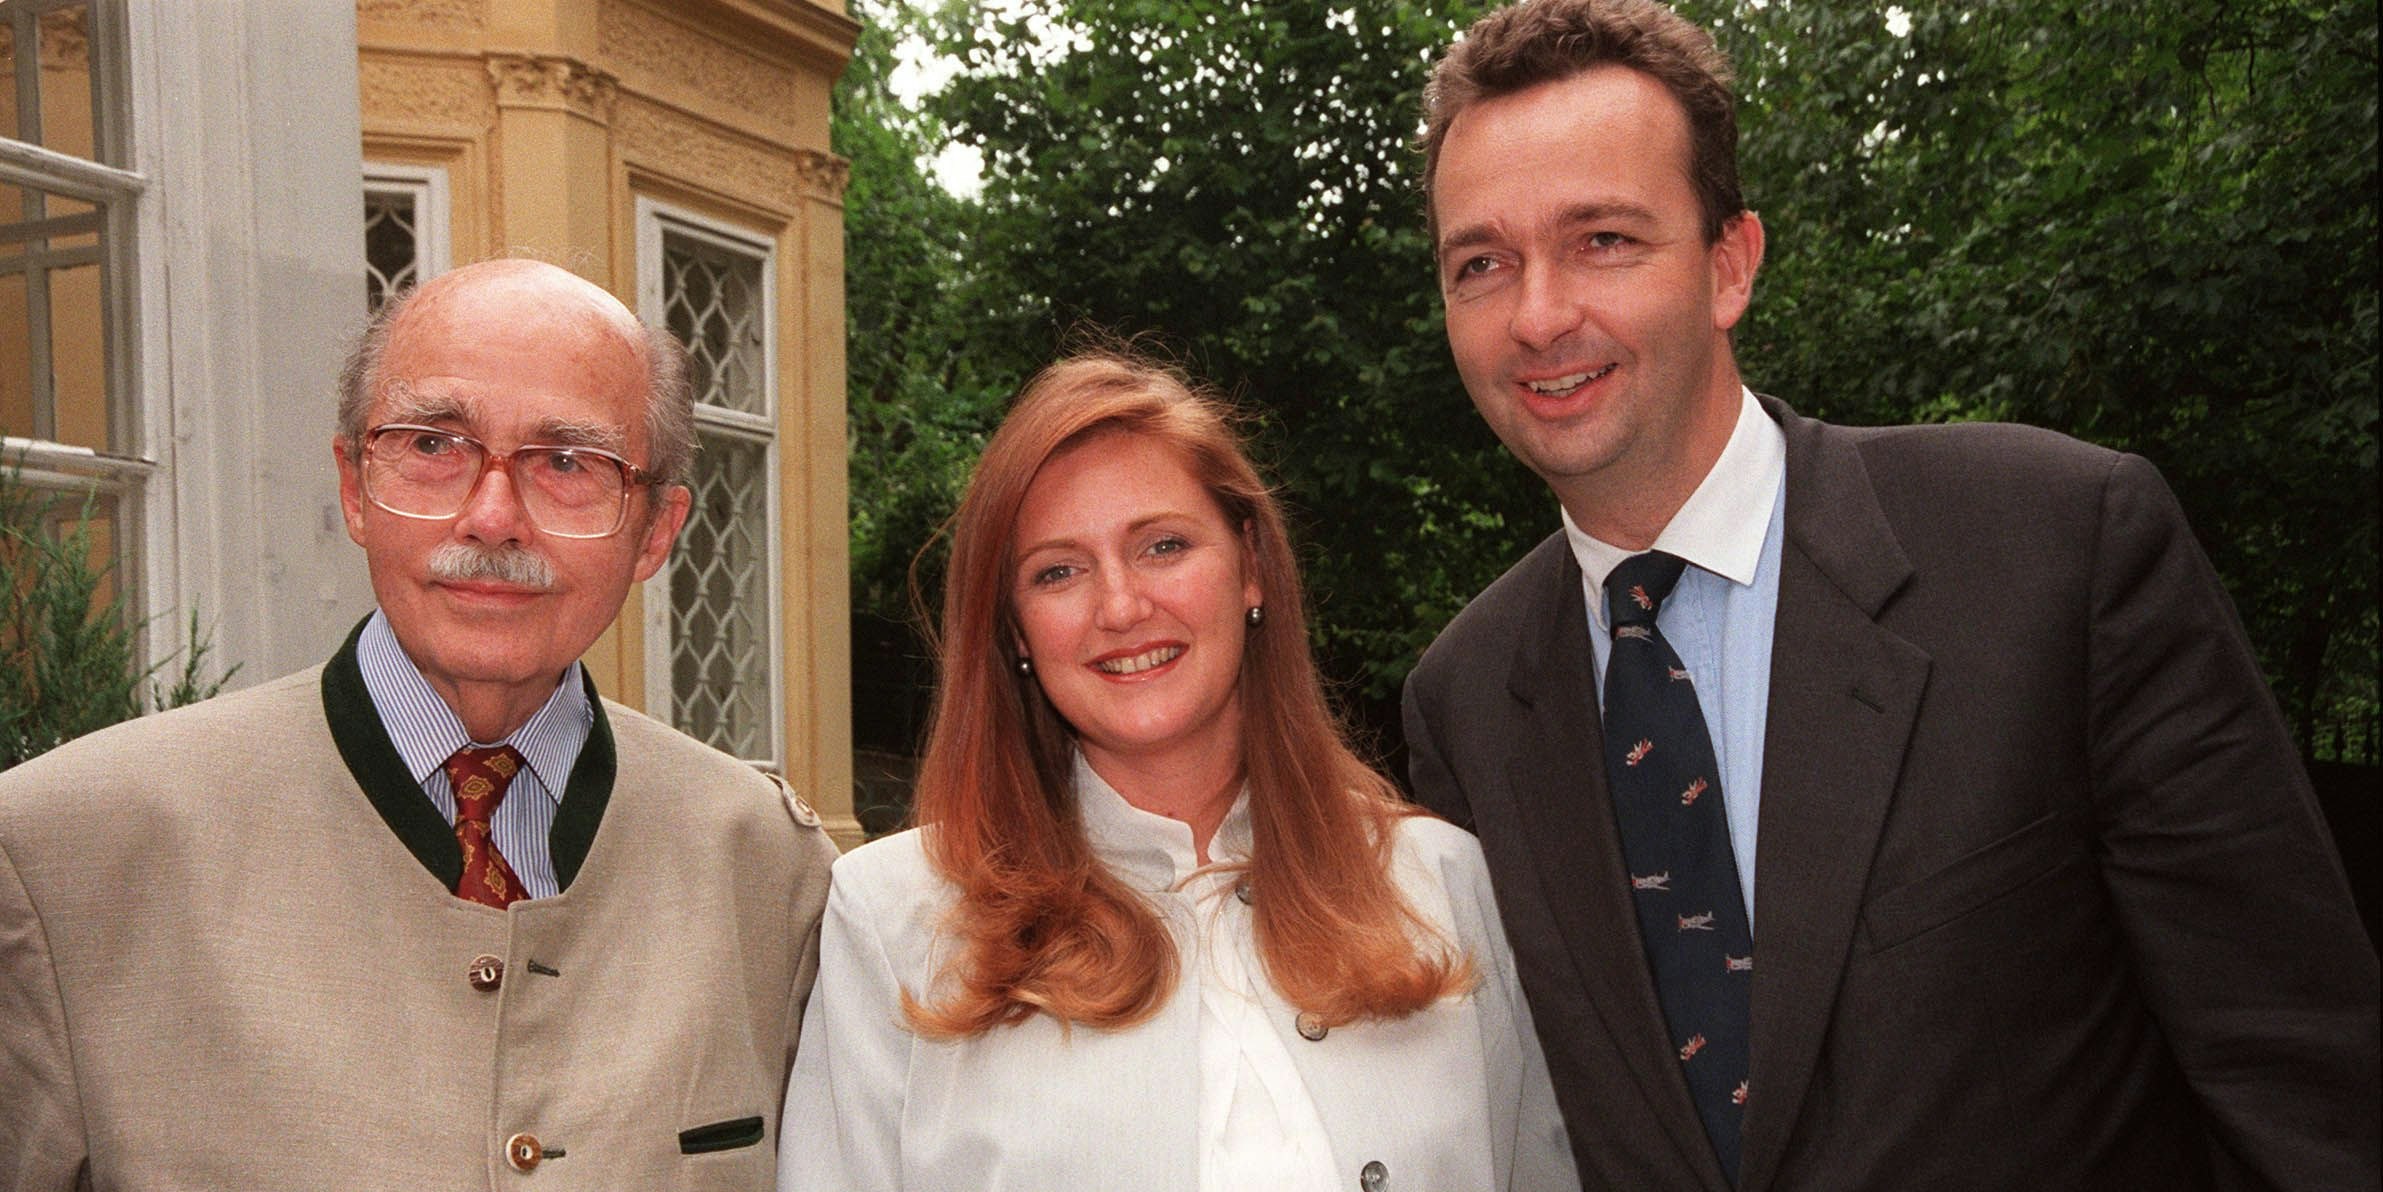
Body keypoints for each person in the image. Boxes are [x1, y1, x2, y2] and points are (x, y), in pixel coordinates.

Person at [1399, 1, 2382, 1189]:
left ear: (1729, 265)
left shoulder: (2054, 546)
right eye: (1481, 263)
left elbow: (2304, 1079)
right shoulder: (1462, 704)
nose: (1539, 312)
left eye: (1602, 238)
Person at [0, 259, 837, 1191]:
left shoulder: (768, 869)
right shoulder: (61, 855)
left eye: (567, 463)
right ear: (356, 487)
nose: (490, 518)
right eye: (434, 445)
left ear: (655, 531)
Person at [777, 351, 1576, 1191]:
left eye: (1162, 546)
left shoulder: (1446, 885)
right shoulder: (895, 919)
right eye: (1058, 571)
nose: (1120, 606)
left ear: (1251, 568)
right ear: (1015, 631)